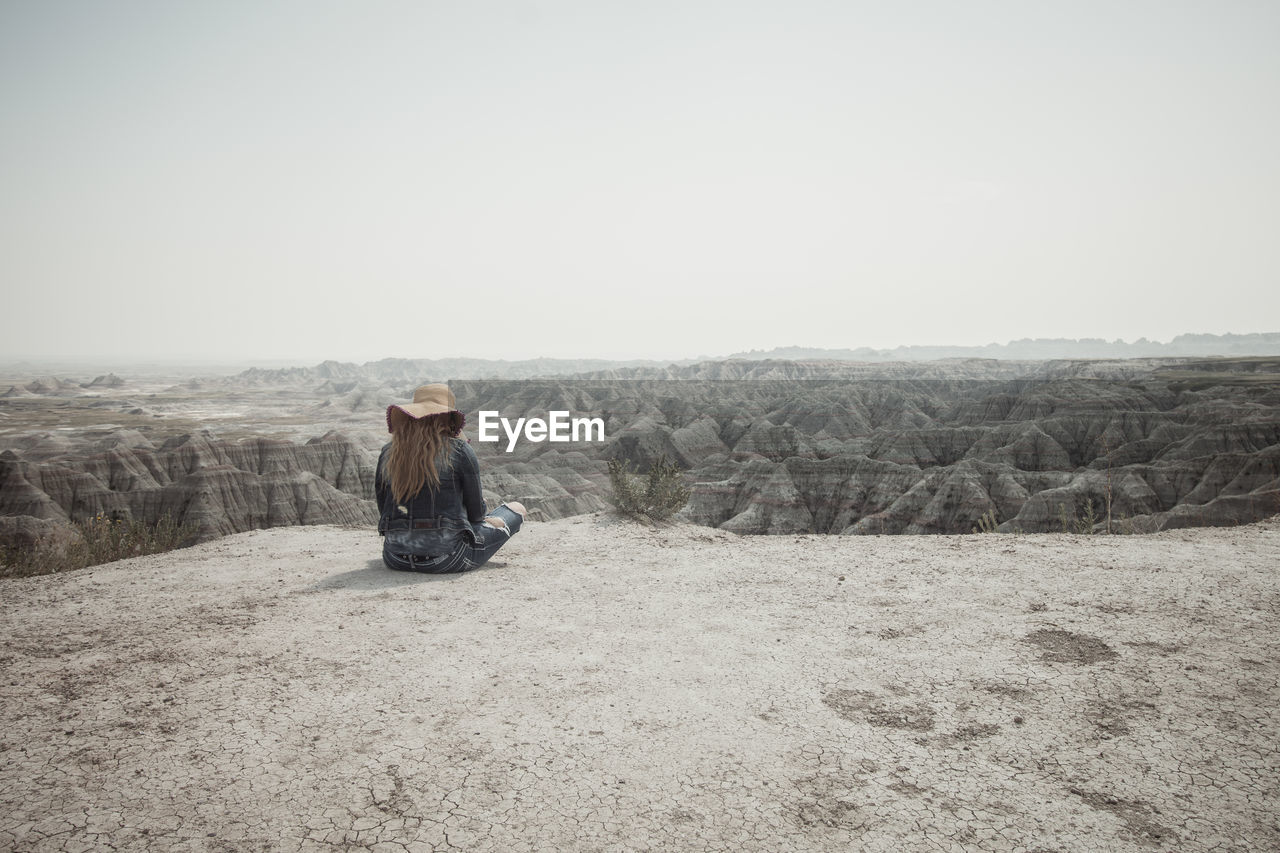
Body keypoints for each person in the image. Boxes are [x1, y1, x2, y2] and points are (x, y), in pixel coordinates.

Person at [375, 384, 527, 573]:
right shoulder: (459, 450)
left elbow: (384, 508)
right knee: (516, 509)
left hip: (395, 558)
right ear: (448, 418)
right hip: (447, 558)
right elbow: (476, 515)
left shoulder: (388, 452)